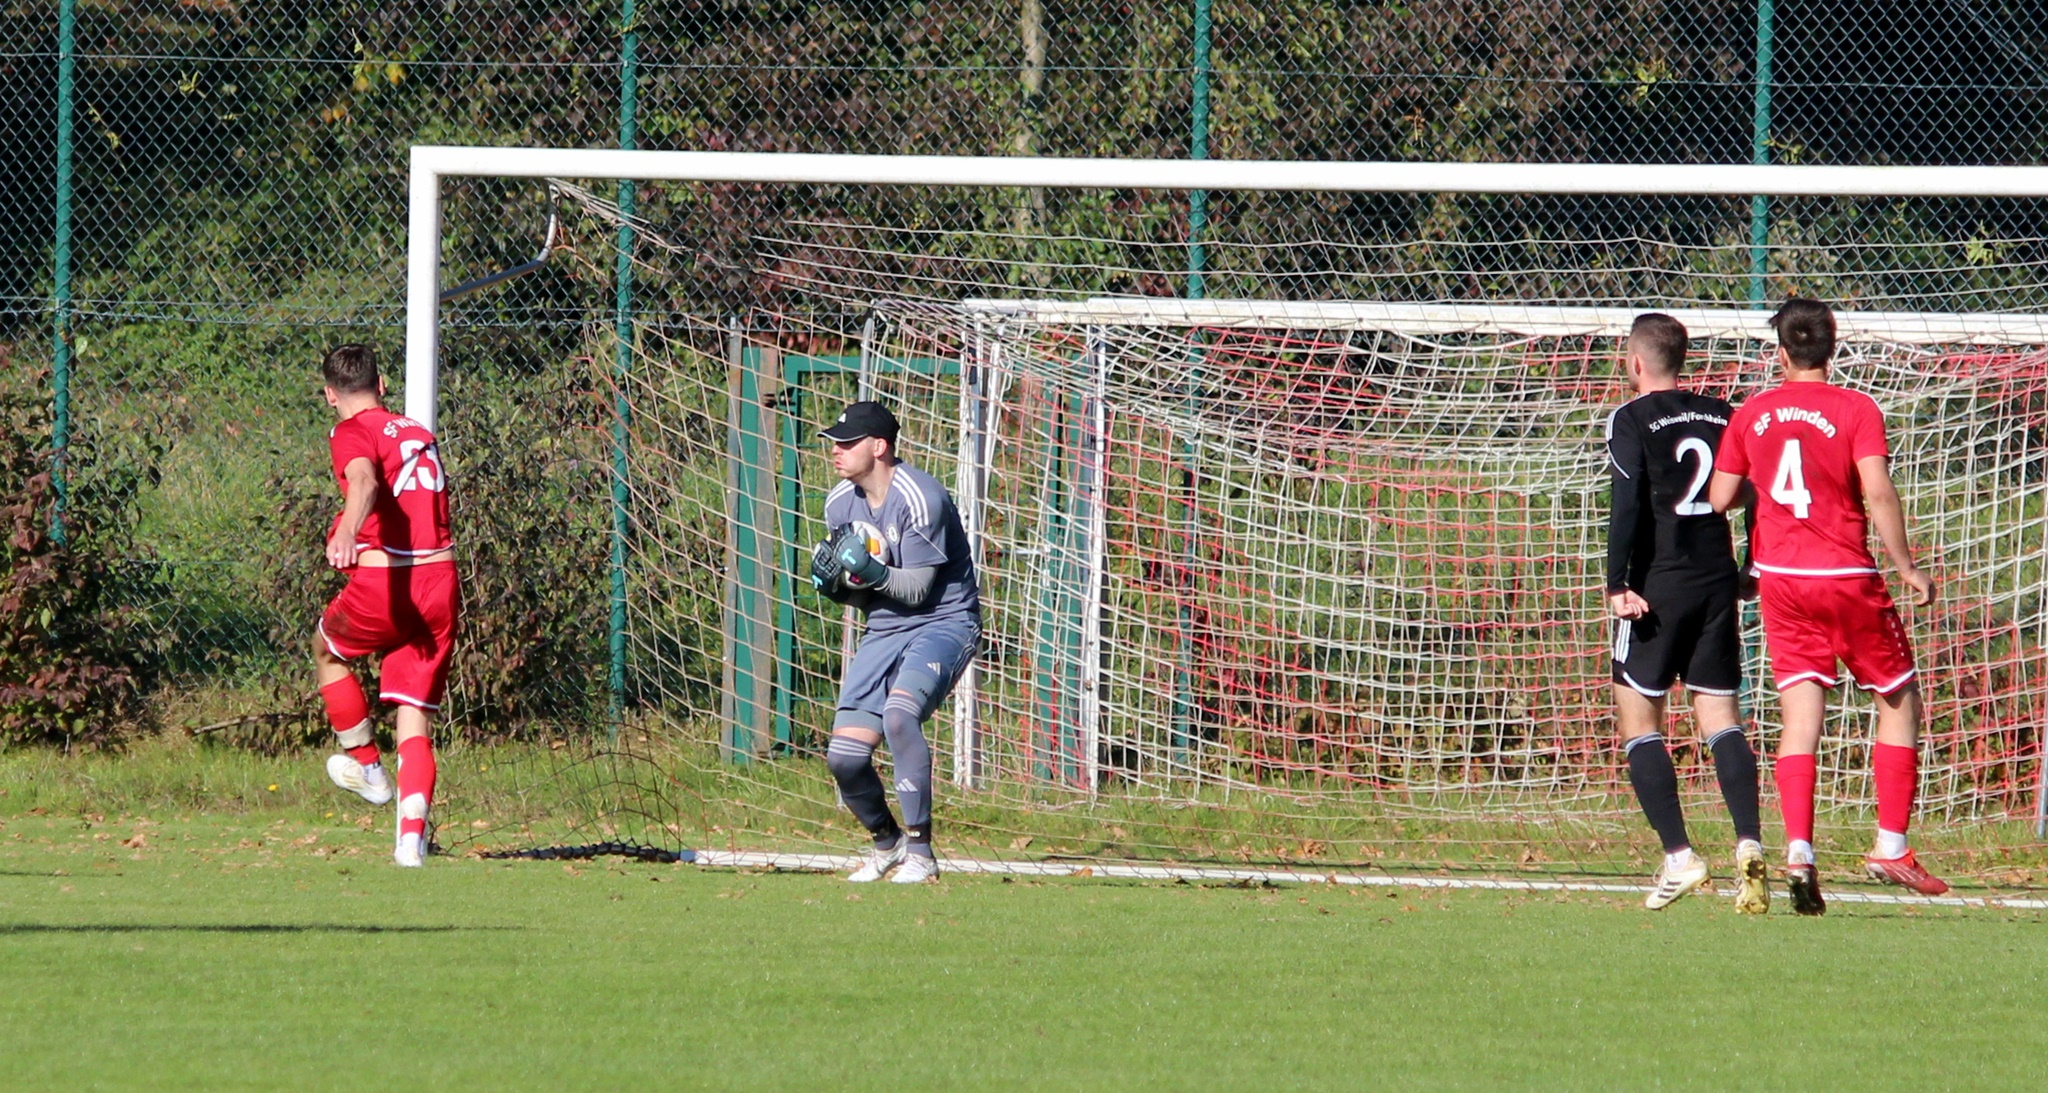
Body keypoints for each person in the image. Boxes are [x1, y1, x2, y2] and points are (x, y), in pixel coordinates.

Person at [1708, 298, 1944, 914]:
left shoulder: (1753, 412)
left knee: (1800, 713)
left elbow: (1720, 497)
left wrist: (1762, 483)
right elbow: (1877, 490)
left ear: (1780, 353)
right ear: (1831, 348)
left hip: (1781, 580)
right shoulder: (1856, 408)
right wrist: (1905, 566)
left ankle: (1799, 852)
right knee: (1898, 697)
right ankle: (1891, 845)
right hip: (1843, 575)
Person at [1605, 313, 1769, 913]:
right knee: (1722, 718)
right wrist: (1752, 563)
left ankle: (1680, 857)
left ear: (1635, 362)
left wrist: (1616, 583)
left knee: (1638, 721)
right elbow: (1756, 492)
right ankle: (1749, 843)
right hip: (1716, 581)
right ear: (1682, 359)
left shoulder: (1630, 418)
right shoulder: (1725, 414)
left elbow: (1627, 504)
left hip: (1657, 587)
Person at [809, 400, 981, 884]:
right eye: (835, 443)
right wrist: (837, 587)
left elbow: (918, 590)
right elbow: (864, 595)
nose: (836, 451)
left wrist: (868, 570)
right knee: (844, 758)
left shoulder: (921, 497)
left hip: (944, 622)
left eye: (848, 443)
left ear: (879, 447)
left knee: (900, 716)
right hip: (885, 627)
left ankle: (922, 854)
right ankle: (888, 844)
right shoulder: (838, 503)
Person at [311, 344, 459, 868]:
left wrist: (347, 531)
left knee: (326, 650)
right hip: (440, 583)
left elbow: (364, 480)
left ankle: (370, 769)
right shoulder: (417, 431)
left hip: (389, 581)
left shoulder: (351, 431)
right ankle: (409, 844)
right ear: (382, 385)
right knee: (413, 717)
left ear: (330, 395)